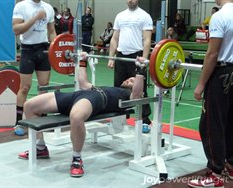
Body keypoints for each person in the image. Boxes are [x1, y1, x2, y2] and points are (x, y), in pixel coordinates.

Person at [17, 52, 147, 178]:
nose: (128, 80)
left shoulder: (126, 97)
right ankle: (40, 147)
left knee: (76, 117)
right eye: (129, 78)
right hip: (78, 95)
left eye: (132, 80)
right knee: (29, 106)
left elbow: (137, 95)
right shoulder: (112, 88)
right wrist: (83, 61)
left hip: (96, 100)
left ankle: (76, 158)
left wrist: (140, 70)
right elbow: (83, 83)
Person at [188, 1, 233, 187]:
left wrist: (200, 84)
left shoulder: (219, 16)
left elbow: (212, 55)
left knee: (210, 124)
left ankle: (215, 173)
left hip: (221, 74)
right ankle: (229, 165)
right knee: (230, 121)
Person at [12, 0, 57, 136]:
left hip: (43, 50)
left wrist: (54, 45)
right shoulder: (21, 6)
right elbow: (16, 29)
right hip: (28, 50)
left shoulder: (48, 7)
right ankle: (18, 123)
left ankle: (42, 122)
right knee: (24, 88)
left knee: (44, 87)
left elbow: (52, 30)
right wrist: (35, 18)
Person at [107, 0, 153, 126]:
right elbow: (115, 38)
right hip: (121, 57)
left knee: (140, 90)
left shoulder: (144, 16)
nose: (130, 0)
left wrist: (143, 60)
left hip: (137, 57)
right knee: (118, 88)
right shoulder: (120, 16)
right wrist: (111, 58)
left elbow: (147, 39)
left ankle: (144, 120)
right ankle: (119, 119)